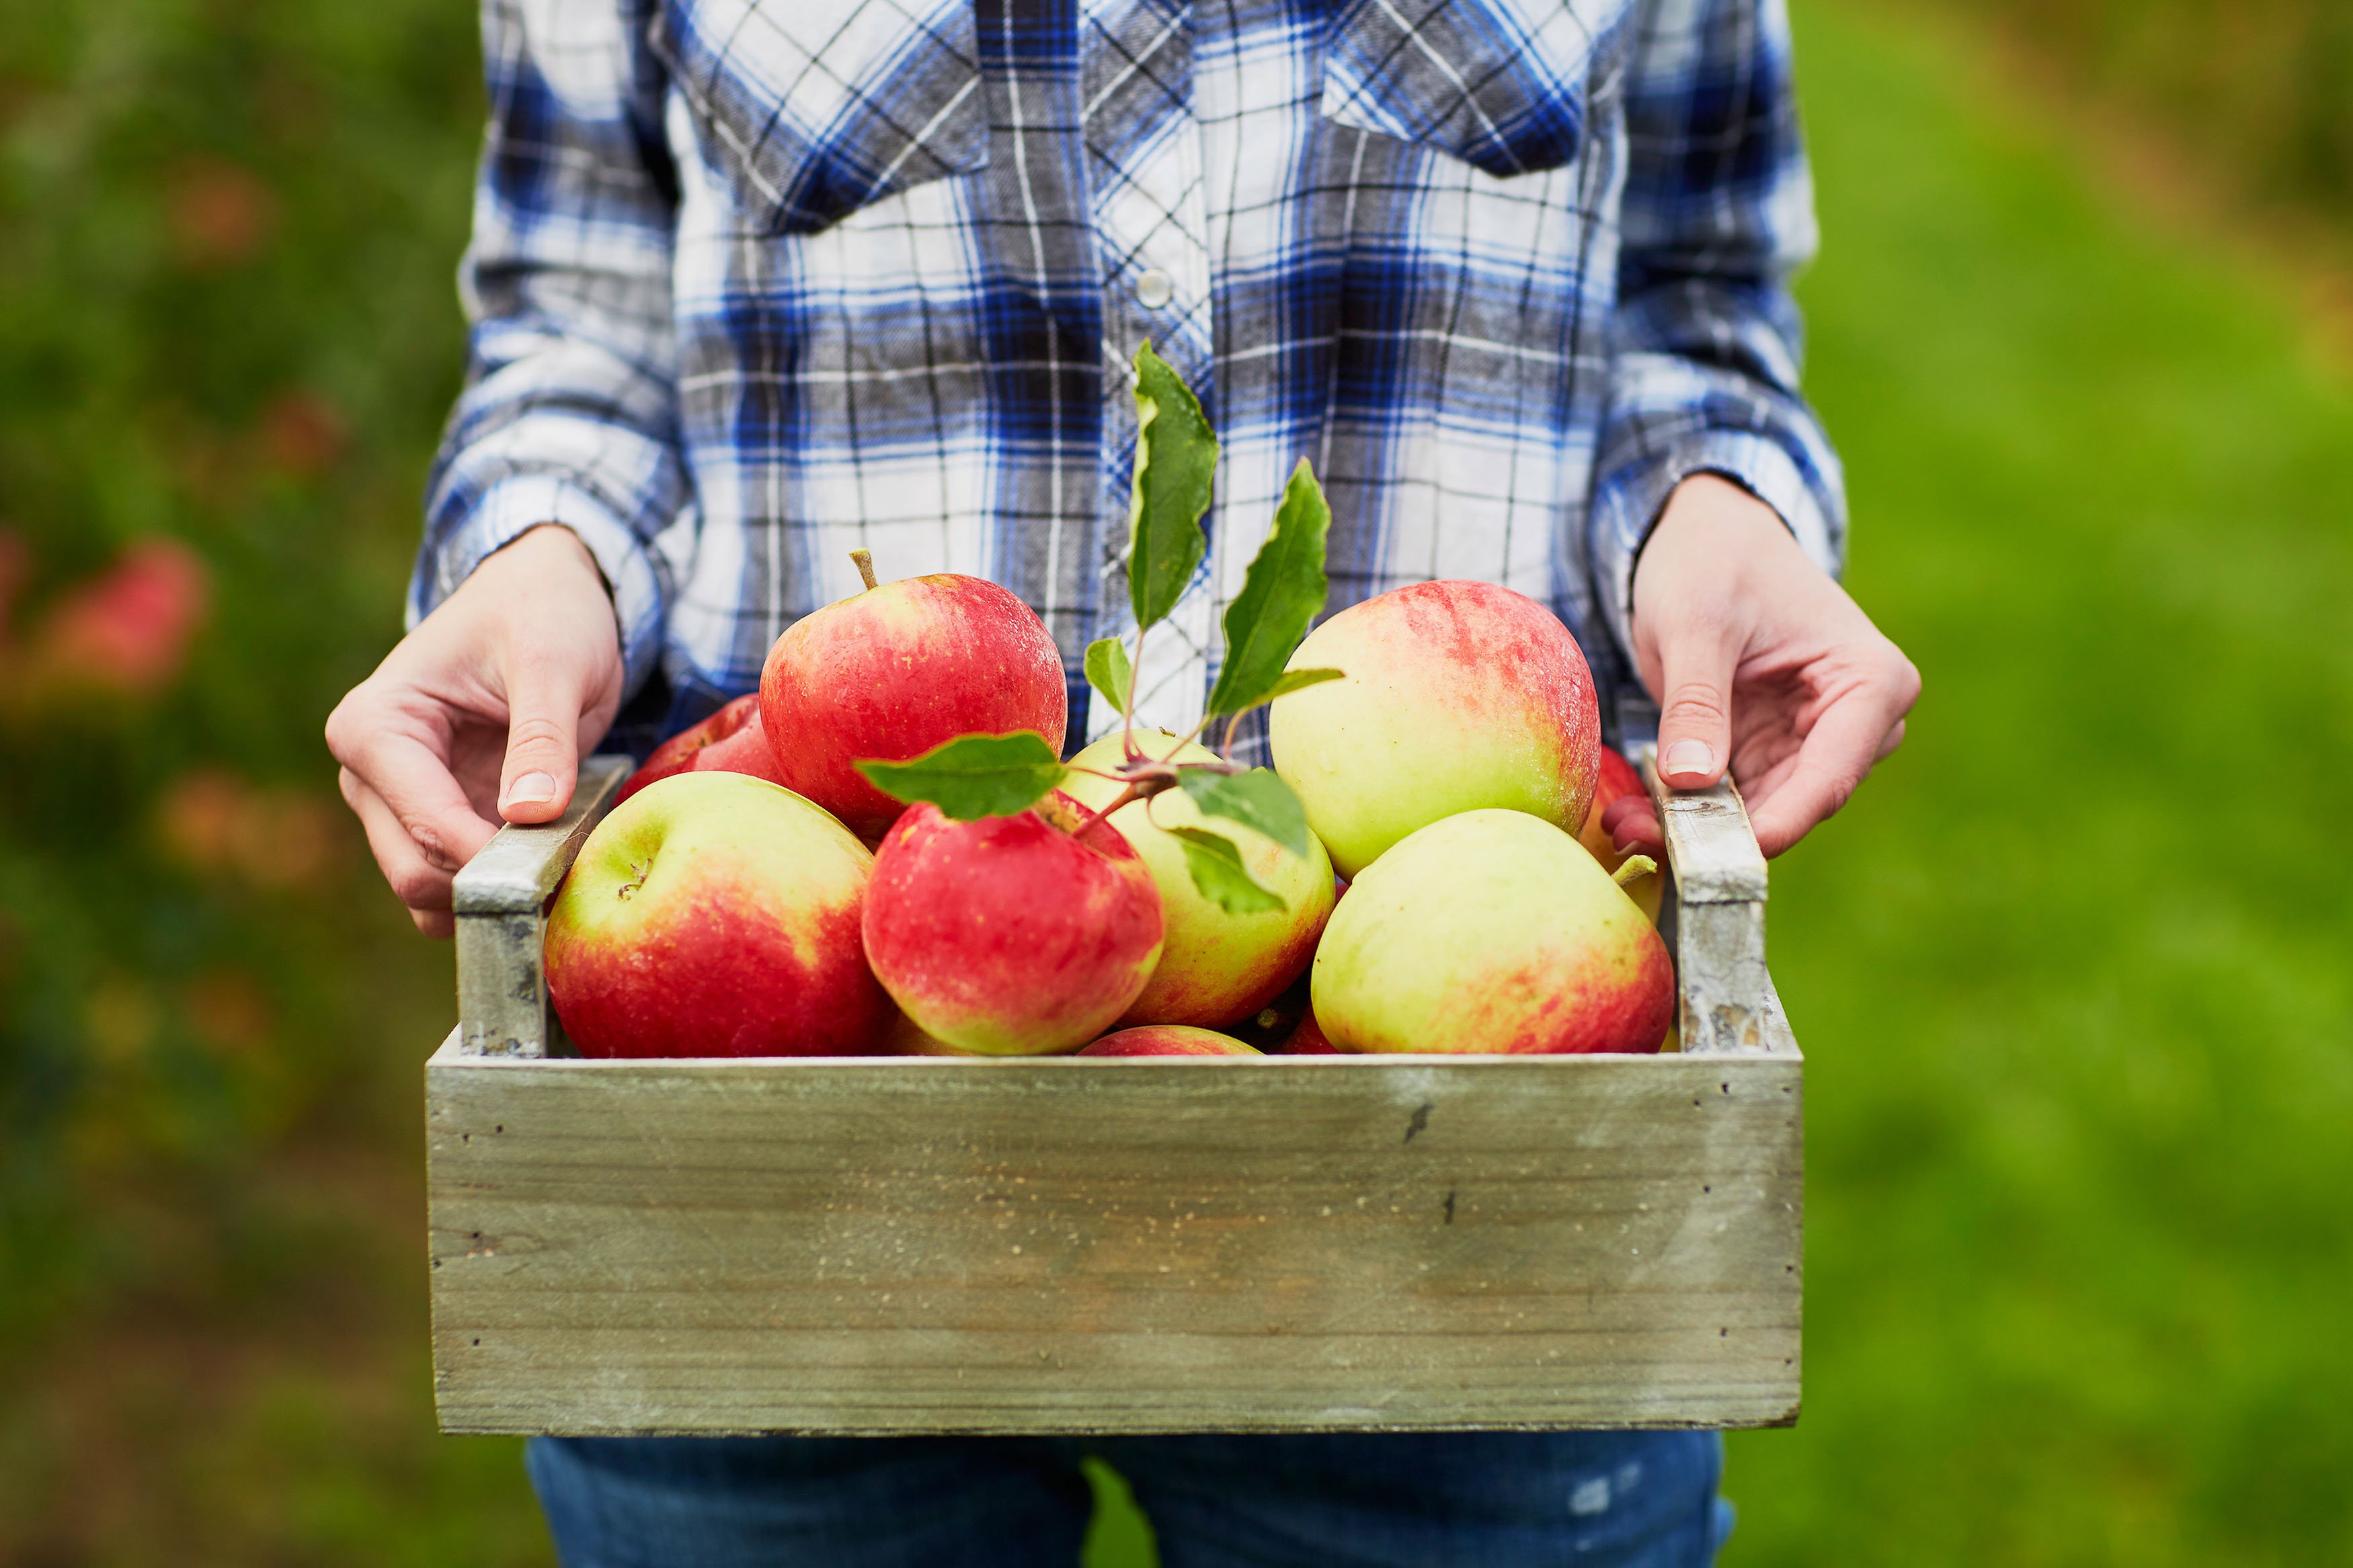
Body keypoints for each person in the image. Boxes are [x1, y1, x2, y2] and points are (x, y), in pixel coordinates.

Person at [328, 0, 1918, 1561]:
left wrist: (1719, 499)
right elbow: (582, 318)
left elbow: (1692, 287)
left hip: (1455, 1180)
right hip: (774, 1140)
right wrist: (545, 548)